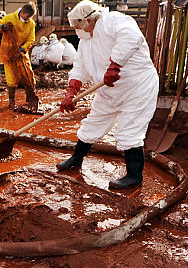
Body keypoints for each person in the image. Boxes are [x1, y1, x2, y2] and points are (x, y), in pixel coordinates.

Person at [57, 0, 158, 189]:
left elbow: (131, 37)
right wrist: (71, 92)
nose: (76, 28)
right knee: (93, 123)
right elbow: (80, 67)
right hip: (108, 89)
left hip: (137, 87)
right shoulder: (85, 40)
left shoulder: (114, 20)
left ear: (88, 19)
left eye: (77, 24)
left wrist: (115, 65)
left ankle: (134, 176)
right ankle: (76, 158)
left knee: (129, 130)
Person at [0, 3, 39, 112]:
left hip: (21, 52)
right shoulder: (9, 18)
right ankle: (11, 100)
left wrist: (23, 49)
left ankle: (30, 98)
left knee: (28, 74)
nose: (28, 19)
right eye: (27, 17)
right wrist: (2, 27)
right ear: (22, 12)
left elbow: (31, 39)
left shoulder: (31, 24)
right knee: (11, 78)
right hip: (8, 53)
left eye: (30, 18)